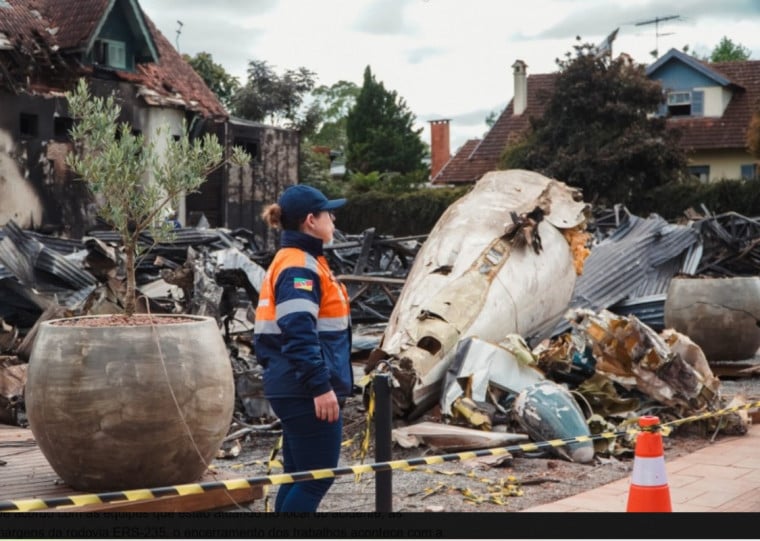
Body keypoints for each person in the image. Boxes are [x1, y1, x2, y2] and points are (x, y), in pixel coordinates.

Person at [253, 184, 353, 512]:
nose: (334, 219)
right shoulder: (300, 267)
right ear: (311, 220)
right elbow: (299, 333)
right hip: (304, 389)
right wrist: (320, 386)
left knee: (300, 476)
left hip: (293, 386)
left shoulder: (301, 260)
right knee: (317, 479)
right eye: (328, 213)